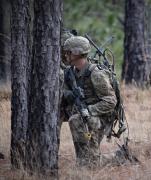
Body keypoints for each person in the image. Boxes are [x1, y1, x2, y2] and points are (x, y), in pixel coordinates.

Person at [62, 36, 117, 166]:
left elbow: (111, 101)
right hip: (81, 112)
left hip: (101, 116)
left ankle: (118, 157)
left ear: (76, 53)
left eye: (68, 52)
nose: (66, 55)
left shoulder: (96, 74)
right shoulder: (71, 72)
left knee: (92, 162)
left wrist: (89, 110)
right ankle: (82, 158)